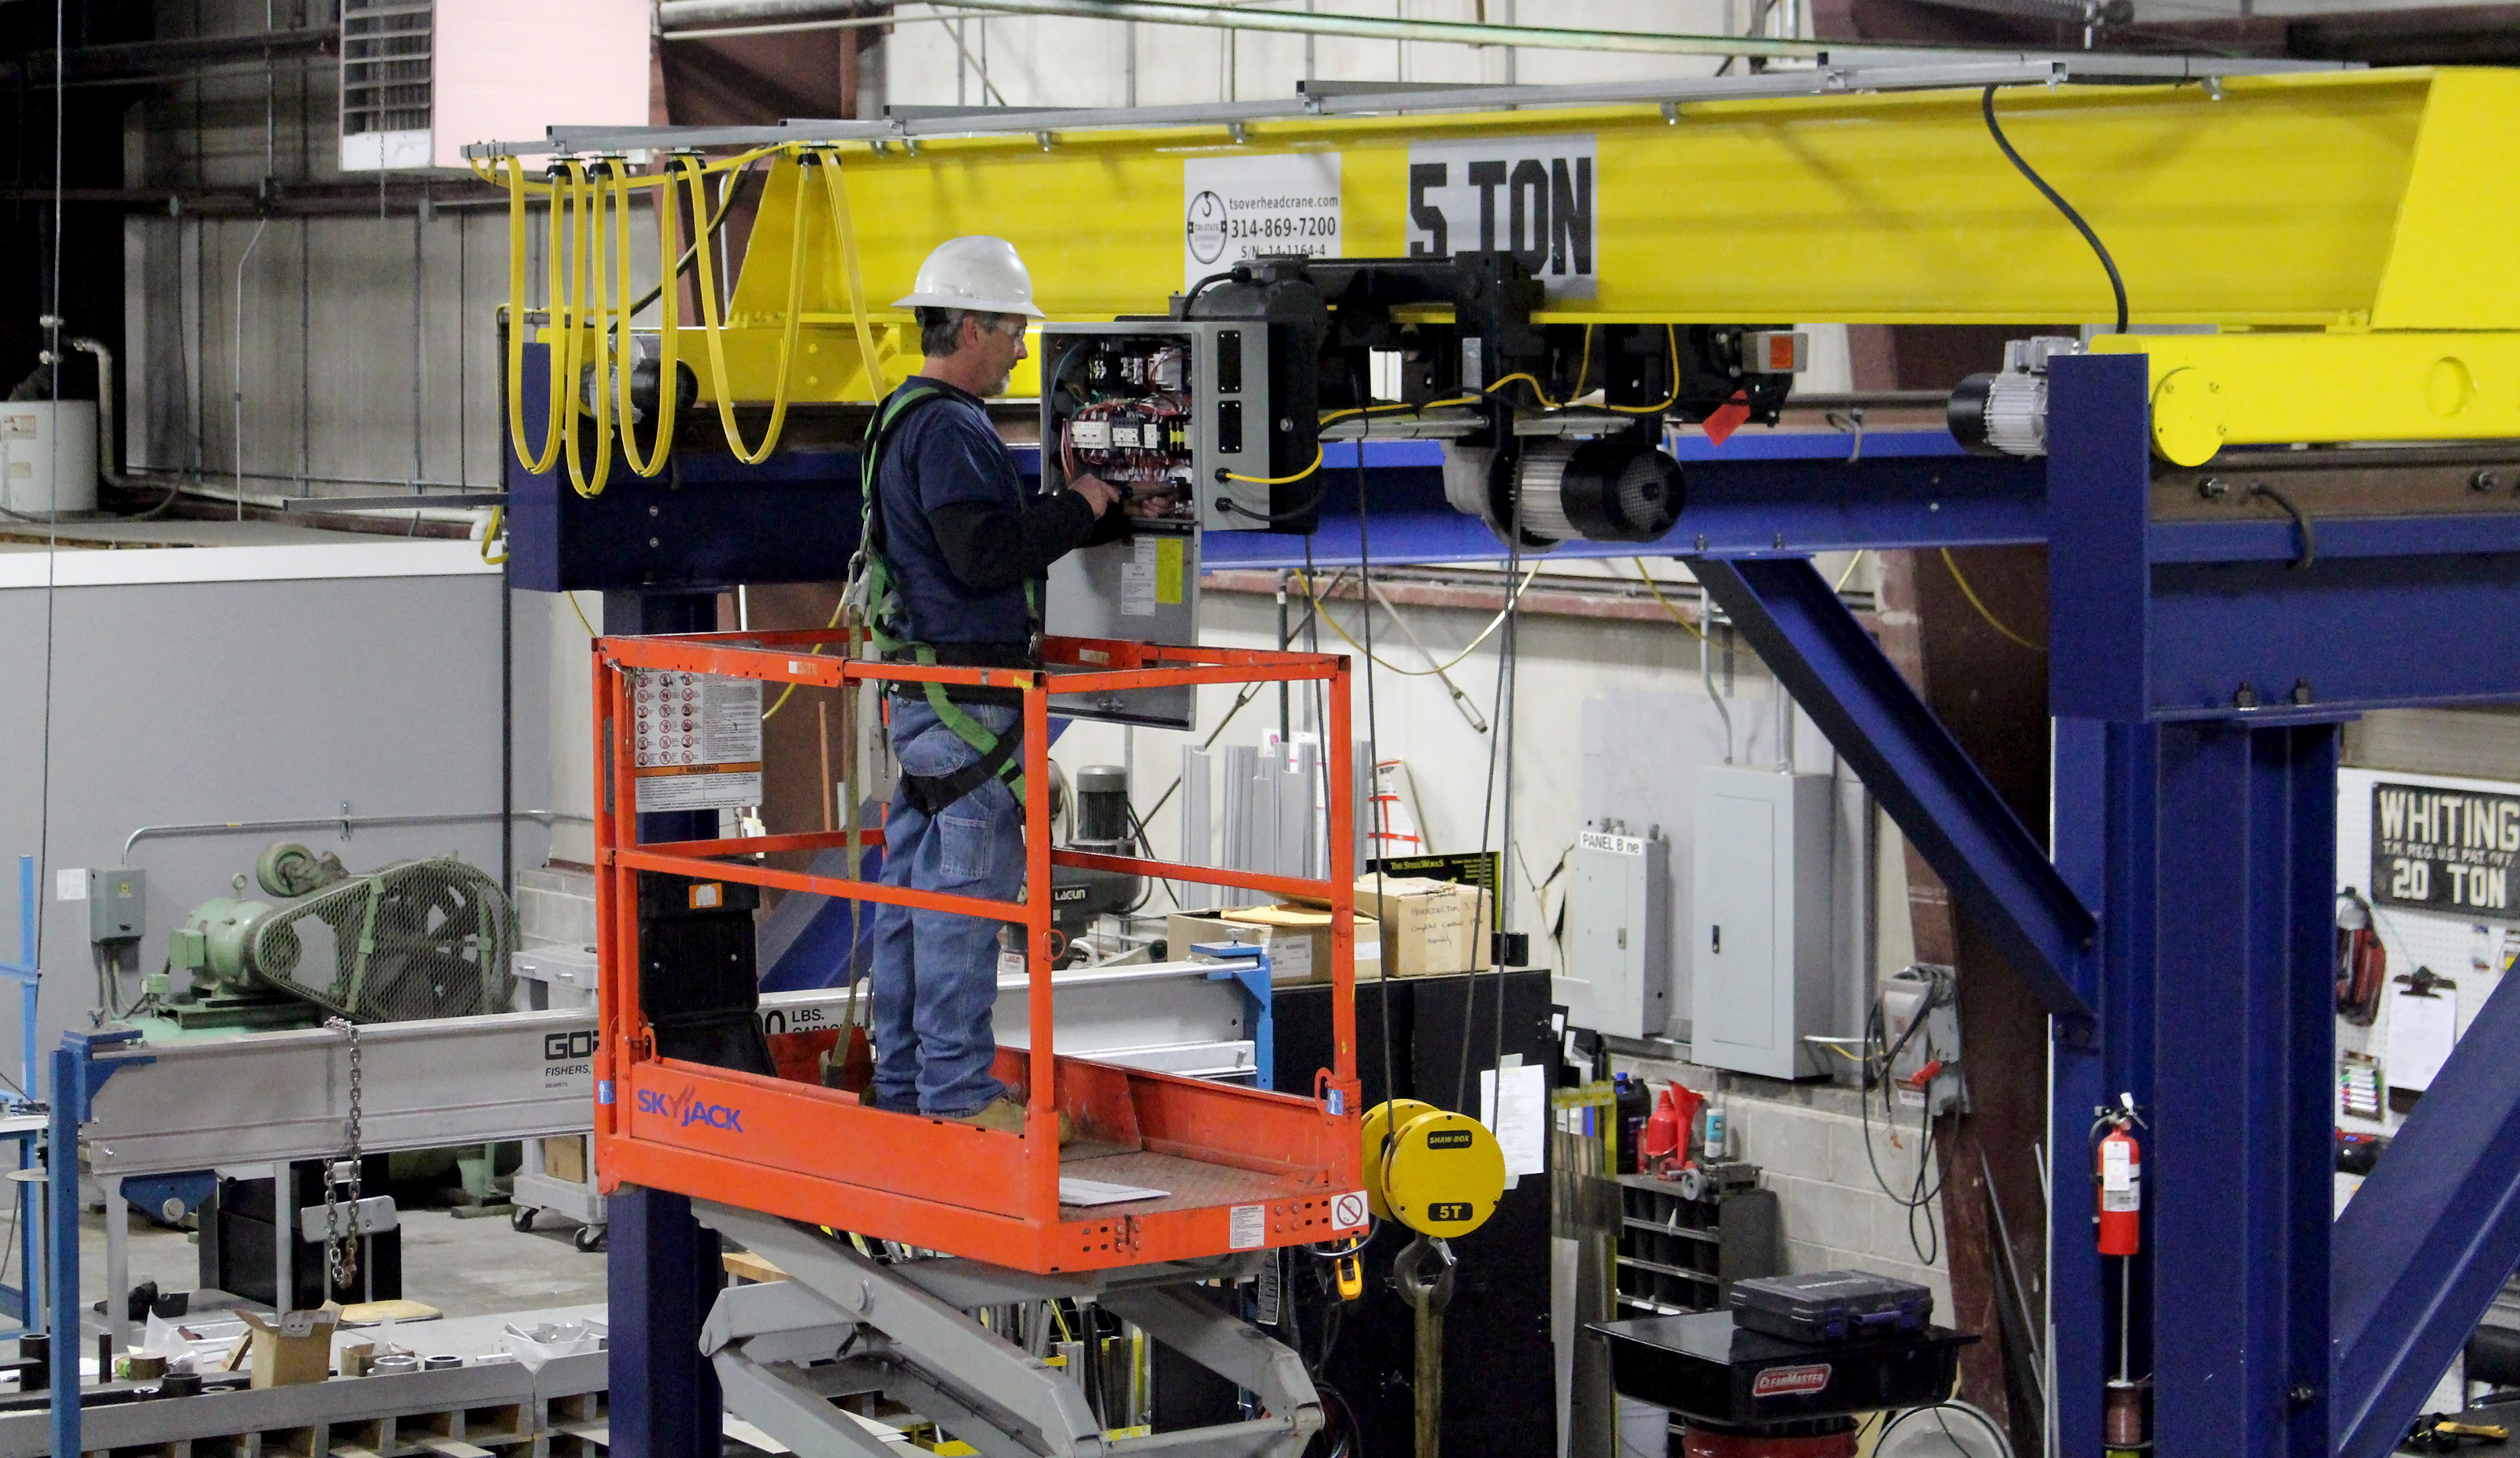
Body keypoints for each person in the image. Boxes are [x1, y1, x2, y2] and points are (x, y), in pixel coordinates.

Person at [856, 236, 1166, 1137]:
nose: (1023, 350)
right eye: (1011, 331)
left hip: (925, 697)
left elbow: (976, 540)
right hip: (967, 699)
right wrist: (1080, 505)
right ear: (969, 328)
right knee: (964, 899)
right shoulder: (952, 430)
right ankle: (957, 1095)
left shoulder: (902, 419)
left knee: (913, 898)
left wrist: (1084, 513)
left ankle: (904, 1084)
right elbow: (982, 554)